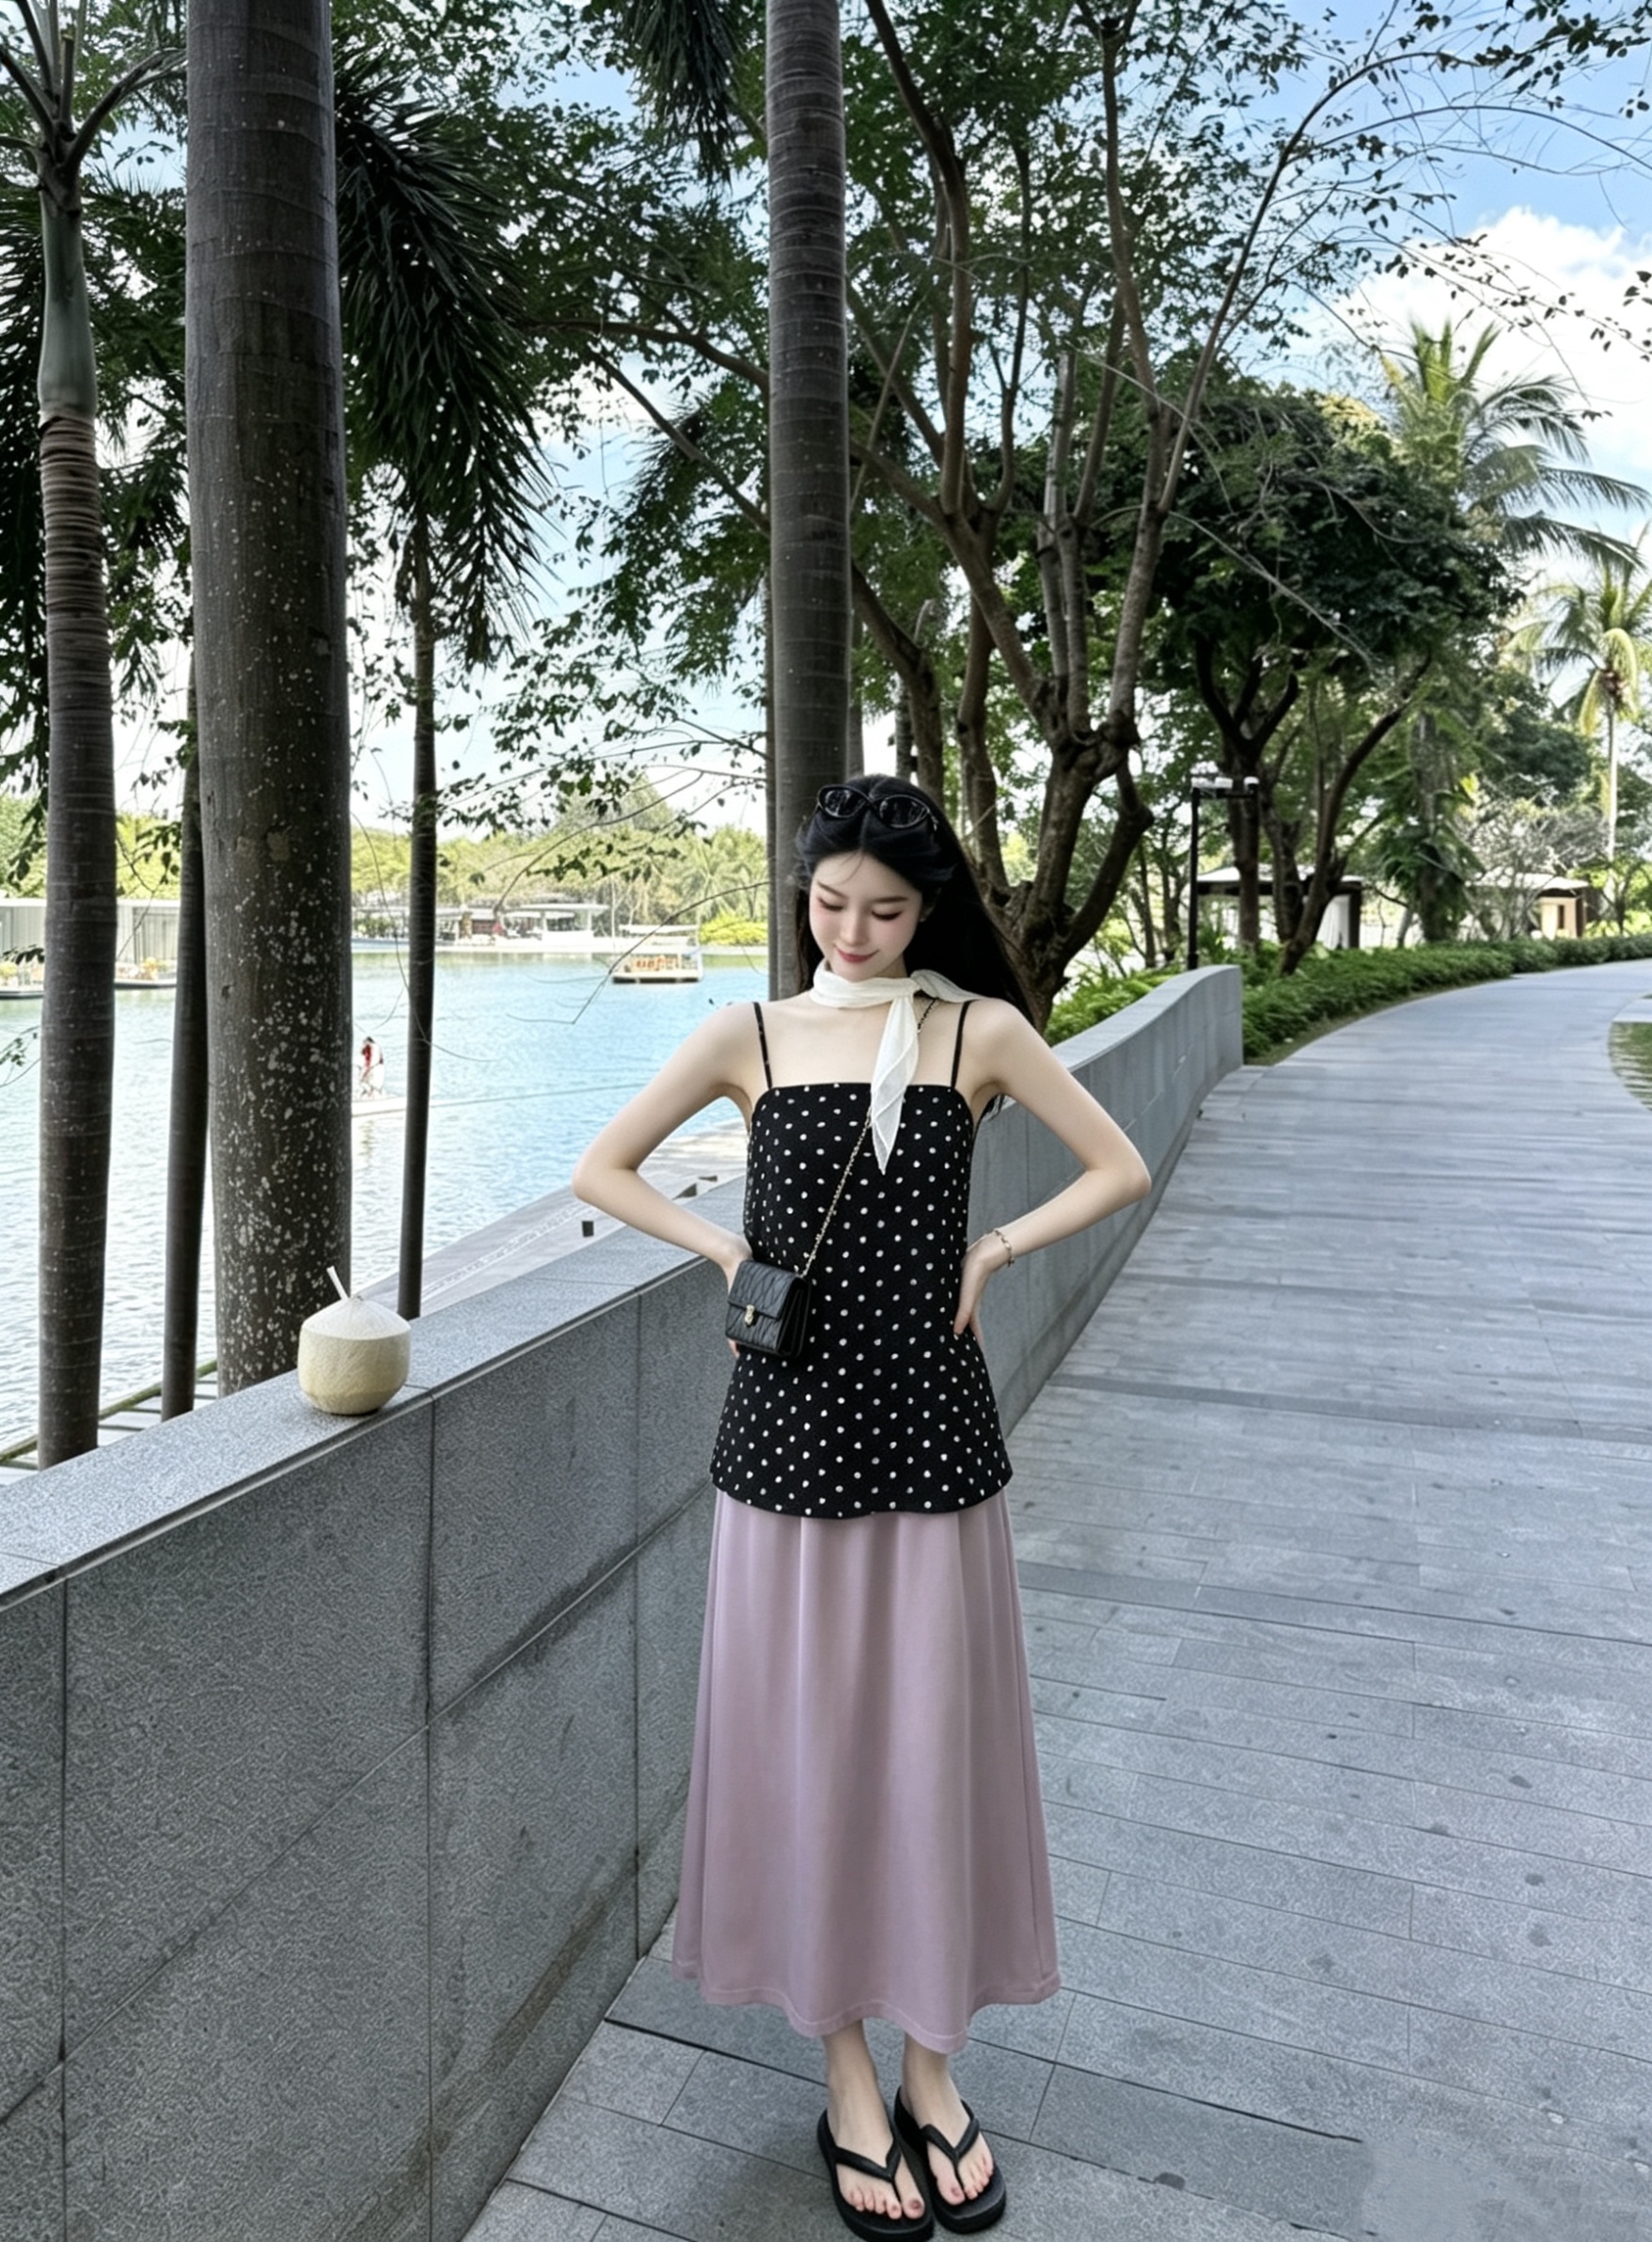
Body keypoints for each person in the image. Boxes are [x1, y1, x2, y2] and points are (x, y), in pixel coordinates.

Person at [573, 777, 1151, 2239]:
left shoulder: (975, 1032)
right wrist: (725, 1254)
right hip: (785, 1441)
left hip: (933, 1437)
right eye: (829, 904)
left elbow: (1118, 1165)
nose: (851, 931)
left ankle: (932, 2068)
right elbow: (603, 1168)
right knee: (809, 1749)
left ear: (926, 910)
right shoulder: (750, 1034)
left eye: (883, 911)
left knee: (930, 1747)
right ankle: (845, 2075)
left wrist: (993, 1250)